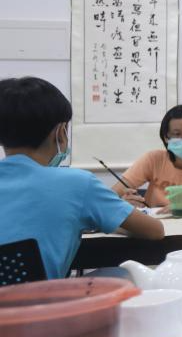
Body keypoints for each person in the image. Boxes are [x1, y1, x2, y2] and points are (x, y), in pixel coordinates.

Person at [0, 77, 164, 278]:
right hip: (41, 297)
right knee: (122, 275)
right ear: (60, 132)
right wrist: (109, 219)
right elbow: (155, 230)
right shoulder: (77, 184)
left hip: (11, 295)